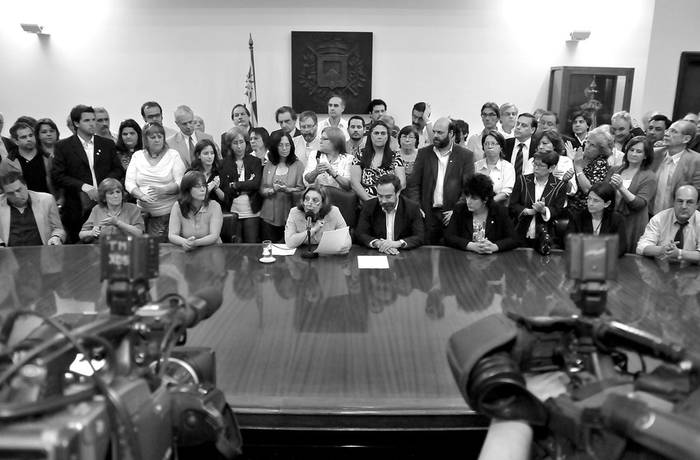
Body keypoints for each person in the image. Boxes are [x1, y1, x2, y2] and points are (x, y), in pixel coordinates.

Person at [52, 105, 123, 243]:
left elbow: (118, 169)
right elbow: (58, 176)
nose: (92, 123)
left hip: (106, 205)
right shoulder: (63, 146)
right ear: (76, 123)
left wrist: (105, 185)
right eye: (87, 120)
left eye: (93, 119)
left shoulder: (107, 144)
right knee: (77, 251)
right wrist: (84, 186)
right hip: (76, 206)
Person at [407, 117, 475, 244]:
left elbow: (468, 187)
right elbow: (414, 185)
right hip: (427, 214)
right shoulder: (424, 153)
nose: (435, 136)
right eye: (434, 132)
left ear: (451, 134)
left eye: (440, 132)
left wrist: (457, 211)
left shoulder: (465, 156)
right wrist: (416, 208)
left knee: (452, 258)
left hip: (452, 215)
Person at [125, 121, 186, 239]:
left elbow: (181, 182)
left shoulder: (173, 155)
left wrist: (164, 190)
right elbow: (129, 183)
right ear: (146, 140)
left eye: (160, 136)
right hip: (141, 214)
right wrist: (141, 195)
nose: (157, 140)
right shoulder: (137, 156)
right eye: (153, 137)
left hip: (166, 213)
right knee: (140, 248)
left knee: (158, 249)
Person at [607, 136, 657, 253]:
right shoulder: (615, 170)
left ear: (645, 156)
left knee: (627, 258)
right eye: (631, 150)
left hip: (633, 223)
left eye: (639, 151)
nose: (634, 154)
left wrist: (621, 188)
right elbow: (604, 192)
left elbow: (639, 204)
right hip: (612, 219)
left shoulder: (650, 176)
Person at [444, 173, 517, 253]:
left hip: (493, 259)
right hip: (464, 258)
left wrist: (495, 247)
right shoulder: (460, 210)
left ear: (485, 199)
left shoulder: (499, 211)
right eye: (467, 196)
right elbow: (449, 236)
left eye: (474, 199)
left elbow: (514, 239)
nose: (468, 201)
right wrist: (471, 246)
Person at [509, 150, 567, 247]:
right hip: (521, 231)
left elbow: (558, 210)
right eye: (534, 164)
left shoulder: (559, 186)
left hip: (546, 233)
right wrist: (527, 211)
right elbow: (512, 205)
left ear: (551, 168)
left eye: (540, 166)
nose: (536, 168)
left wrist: (544, 210)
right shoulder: (522, 180)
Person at [356, 173, 424, 254]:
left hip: (403, 254)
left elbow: (419, 236)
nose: (383, 201)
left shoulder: (412, 207)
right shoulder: (369, 206)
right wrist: (378, 243)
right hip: (377, 253)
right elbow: (360, 233)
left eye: (388, 197)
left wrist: (397, 244)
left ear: (398, 193)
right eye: (380, 196)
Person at [637, 185, 700, 263]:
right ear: (673, 202)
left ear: (697, 205)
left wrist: (679, 253)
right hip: (661, 269)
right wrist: (662, 250)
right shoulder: (659, 218)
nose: (684, 206)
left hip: (692, 271)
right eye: (680, 201)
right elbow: (641, 247)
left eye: (689, 202)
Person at [220, 127, 262, 243]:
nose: (239, 146)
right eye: (235, 143)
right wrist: (245, 185)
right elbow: (226, 188)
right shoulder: (224, 163)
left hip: (251, 211)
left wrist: (236, 185)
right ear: (229, 145)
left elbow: (255, 184)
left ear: (246, 142)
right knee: (235, 247)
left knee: (252, 245)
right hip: (232, 211)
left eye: (241, 142)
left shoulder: (255, 161)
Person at [260, 132, 305, 242]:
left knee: (288, 248)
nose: (284, 148)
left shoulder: (298, 165)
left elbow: (302, 189)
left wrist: (289, 189)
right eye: (280, 145)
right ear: (274, 147)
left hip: (289, 212)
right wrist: (272, 190)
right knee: (270, 247)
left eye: (287, 145)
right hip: (269, 214)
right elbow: (262, 189)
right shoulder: (269, 164)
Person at [0, 172, 65, 246]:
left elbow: (58, 229)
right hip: (9, 253)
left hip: (41, 251)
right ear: (4, 193)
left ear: (25, 186)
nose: (17, 195)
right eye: (10, 193)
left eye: (18, 190)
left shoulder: (46, 200)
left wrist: (56, 237)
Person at [652, 120, 700, 215]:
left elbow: (697, 195)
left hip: (678, 216)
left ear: (686, 139)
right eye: (668, 130)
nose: (666, 133)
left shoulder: (696, 161)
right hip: (651, 214)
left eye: (674, 131)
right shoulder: (655, 154)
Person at [565, 182, 627, 256]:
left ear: (607, 204)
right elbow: (568, 242)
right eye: (589, 199)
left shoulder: (617, 220)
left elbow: (621, 247)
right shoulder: (577, 217)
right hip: (581, 260)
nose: (590, 203)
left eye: (596, 200)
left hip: (606, 261)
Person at [350, 120, 405, 202]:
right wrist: (369, 200)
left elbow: (402, 183)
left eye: (383, 133)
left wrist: (386, 199)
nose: (379, 136)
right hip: (366, 202)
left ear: (387, 136)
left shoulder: (395, 156)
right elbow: (354, 183)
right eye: (376, 133)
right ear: (370, 135)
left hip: (389, 202)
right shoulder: (360, 155)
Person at [168, 170, 223, 250]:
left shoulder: (215, 206)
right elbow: (172, 235)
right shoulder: (178, 206)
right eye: (198, 186)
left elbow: (214, 236)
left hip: (212, 250)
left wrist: (195, 243)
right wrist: (184, 242)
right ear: (187, 189)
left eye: (204, 186)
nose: (203, 189)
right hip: (189, 251)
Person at [284, 184, 351, 249]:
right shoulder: (294, 212)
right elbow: (290, 243)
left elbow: (347, 241)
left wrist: (341, 247)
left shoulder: (334, 212)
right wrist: (313, 230)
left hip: (327, 254)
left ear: (322, 204)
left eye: (315, 200)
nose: (309, 203)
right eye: (306, 199)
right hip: (302, 253)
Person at [78, 178, 144, 242]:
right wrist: (91, 232)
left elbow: (139, 234)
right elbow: (81, 234)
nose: (116, 196)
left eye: (118, 192)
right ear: (104, 197)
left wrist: (118, 223)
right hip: (102, 248)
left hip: (127, 247)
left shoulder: (133, 208)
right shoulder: (97, 209)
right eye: (111, 193)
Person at [567, 126, 613, 212]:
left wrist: (577, 167)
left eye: (592, 145)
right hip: (567, 204)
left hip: (584, 208)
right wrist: (571, 161)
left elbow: (588, 190)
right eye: (587, 142)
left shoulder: (600, 163)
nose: (587, 146)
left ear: (601, 150)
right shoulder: (579, 156)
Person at [1, 121, 51, 194]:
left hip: (48, 200)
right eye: (24, 137)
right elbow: (5, 187)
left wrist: (60, 199)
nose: (29, 139)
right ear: (16, 141)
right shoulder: (8, 163)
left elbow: (57, 181)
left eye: (31, 135)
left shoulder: (47, 157)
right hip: (23, 202)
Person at [474, 130, 515, 204]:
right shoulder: (476, 166)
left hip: (498, 207)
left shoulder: (508, 167)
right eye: (486, 144)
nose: (489, 146)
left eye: (493, 144)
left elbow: (506, 192)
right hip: (477, 208)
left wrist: (488, 203)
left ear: (501, 147)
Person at [189, 138, 225, 207]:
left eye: (212, 153)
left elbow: (225, 199)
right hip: (196, 211)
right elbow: (189, 198)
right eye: (206, 153)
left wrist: (216, 188)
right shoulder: (191, 173)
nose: (210, 156)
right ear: (198, 155)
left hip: (216, 211)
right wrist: (208, 188)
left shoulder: (220, 171)